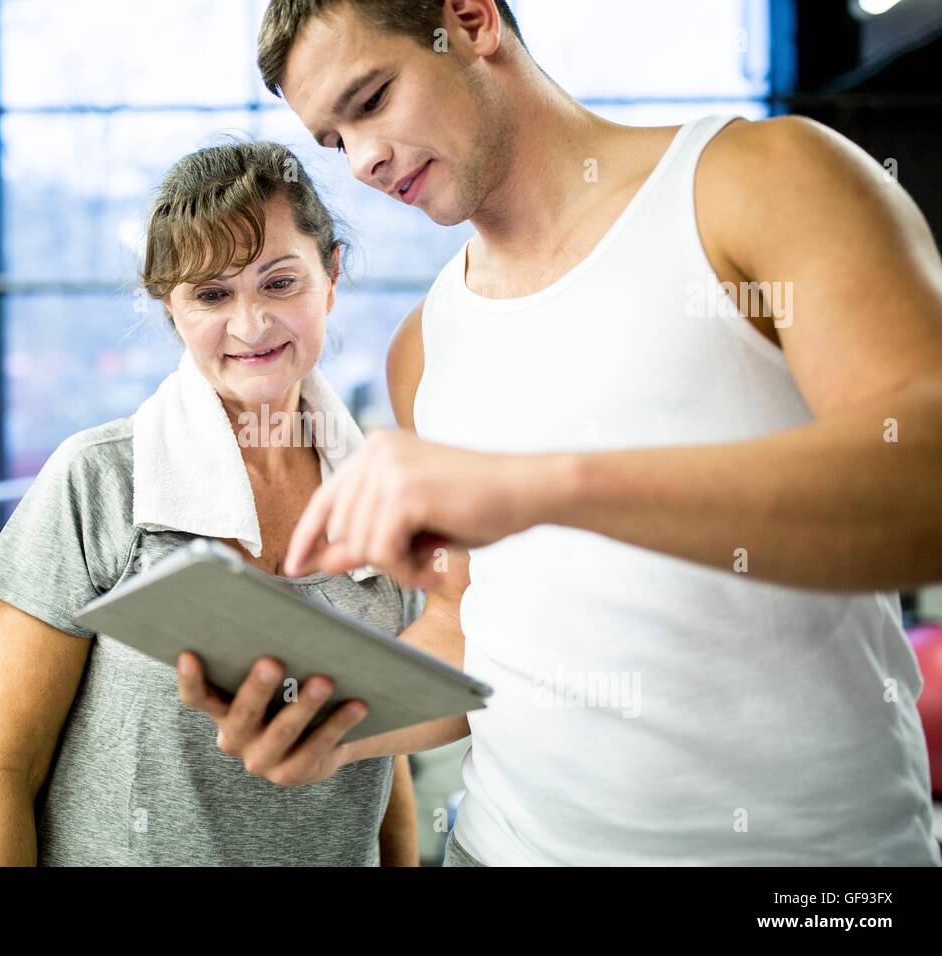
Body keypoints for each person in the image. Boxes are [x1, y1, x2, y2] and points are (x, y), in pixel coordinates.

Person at [177, 0, 942, 866]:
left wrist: (541, 487)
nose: (363, 160)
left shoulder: (759, 180)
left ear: (469, 22)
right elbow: (473, 623)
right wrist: (338, 718)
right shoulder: (425, 348)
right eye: (332, 140)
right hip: (499, 848)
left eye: (373, 98)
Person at [0, 140, 419, 866]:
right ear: (171, 308)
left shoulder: (383, 499)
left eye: (279, 283)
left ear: (330, 278)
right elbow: (3, 773)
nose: (251, 325)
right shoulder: (100, 483)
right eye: (211, 295)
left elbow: (385, 764)